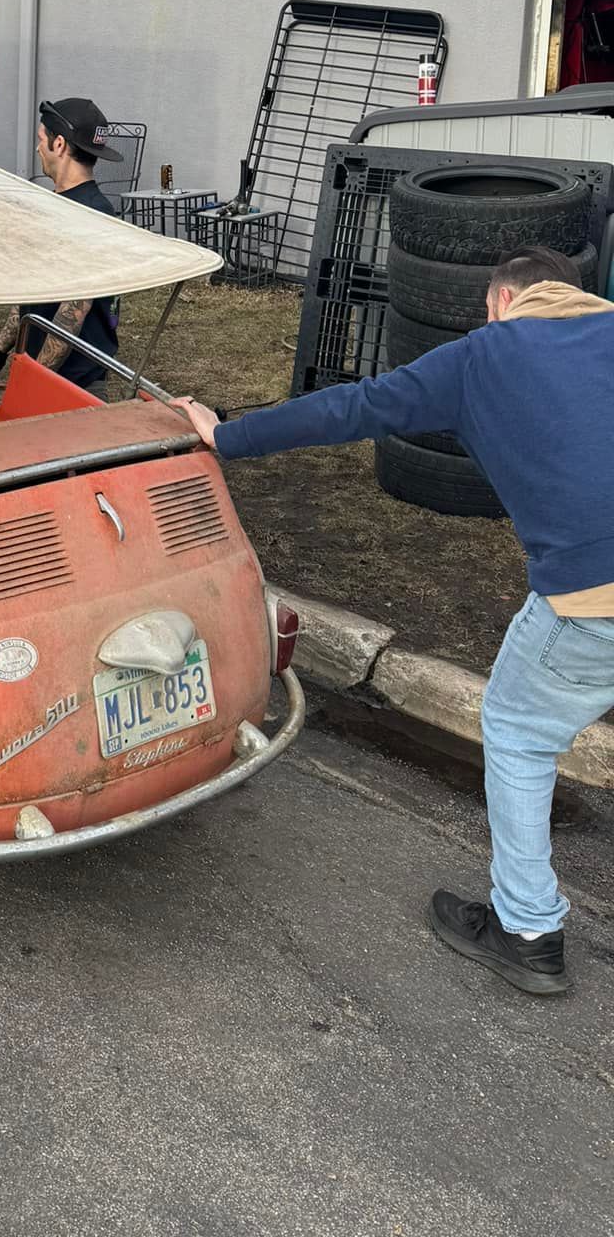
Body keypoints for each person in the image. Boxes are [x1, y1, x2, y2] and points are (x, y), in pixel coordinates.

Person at [175, 244, 614, 997]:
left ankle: (528, 931)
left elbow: (353, 407)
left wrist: (226, 435)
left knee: (518, 732)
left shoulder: (482, 357)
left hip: (592, 597)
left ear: (502, 302)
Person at [0, 97, 125, 398]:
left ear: (59, 145)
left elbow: (71, 315)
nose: (37, 148)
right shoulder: (54, 208)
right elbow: (33, 294)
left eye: (41, 139)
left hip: (73, 387)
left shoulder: (93, 215)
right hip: (42, 373)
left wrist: (32, 384)